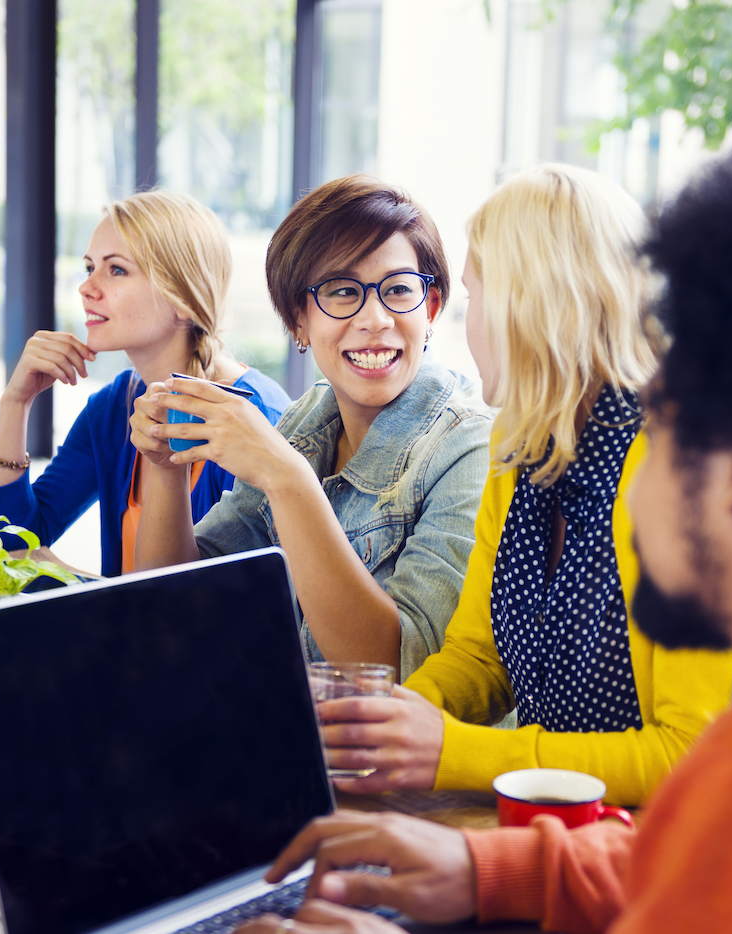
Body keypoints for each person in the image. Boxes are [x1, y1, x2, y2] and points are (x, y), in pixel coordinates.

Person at [234, 131, 732, 934]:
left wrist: (453, 762)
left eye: (672, 414)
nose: (648, 428)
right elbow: (674, 856)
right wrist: (483, 860)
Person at [315, 164, 732, 806]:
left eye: (472, 298)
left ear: (530, 306)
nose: (464, 326)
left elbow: (690, 754)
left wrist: (455, 753)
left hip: (651, 860)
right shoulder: (517, 445)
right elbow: (480, 655)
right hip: (550, 838)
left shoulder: (684, 470)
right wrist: (384, 726)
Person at [130, 176, 491, 679]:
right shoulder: (310, 419)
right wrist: (166, 468)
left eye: (398, 291)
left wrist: (289, 479)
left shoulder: (471, 447)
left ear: (430, 309)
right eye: (342, 291)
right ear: (298, 319)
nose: (375, 318)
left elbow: (406, 672)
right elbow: (173, 603)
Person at [0, 189, 290, 576]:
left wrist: (75, 583)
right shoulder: (113, 409)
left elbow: (232, 609)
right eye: (90, 268)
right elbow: (8, 547)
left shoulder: (260, 418)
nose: (86, 288)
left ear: (182, 299)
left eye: (116, 270)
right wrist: (16, 405)